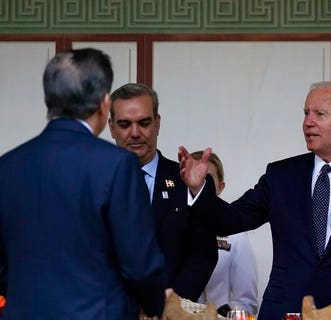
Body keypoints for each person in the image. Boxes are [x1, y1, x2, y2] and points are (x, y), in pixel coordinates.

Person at [178, 81, 331, 319]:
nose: (308, 122)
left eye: (320, 114)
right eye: (306, 113)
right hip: (285, 309)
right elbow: (230, 220)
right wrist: (199, 188)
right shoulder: (281, 176)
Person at [0, 48, 167, 319]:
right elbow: (140, 267)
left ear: (48, 101)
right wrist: (153, 306)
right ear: (104, 104)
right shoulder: (116, 165)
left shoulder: (7, 166)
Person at [109, 83, 218, 302]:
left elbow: (203, 254)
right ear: (111, 127)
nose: (135, 133)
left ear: (157, 123)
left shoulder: (187, 180)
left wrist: (171, 305)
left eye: (144, 122)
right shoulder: (93, 183)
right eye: (124, 124)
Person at [191, 150, 259, 316]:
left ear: (220, 187)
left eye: (206, 179)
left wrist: (221, 317)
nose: (198, 183)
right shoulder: (168, 224)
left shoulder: (235, 235)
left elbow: (247, 303)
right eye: (194, 175)